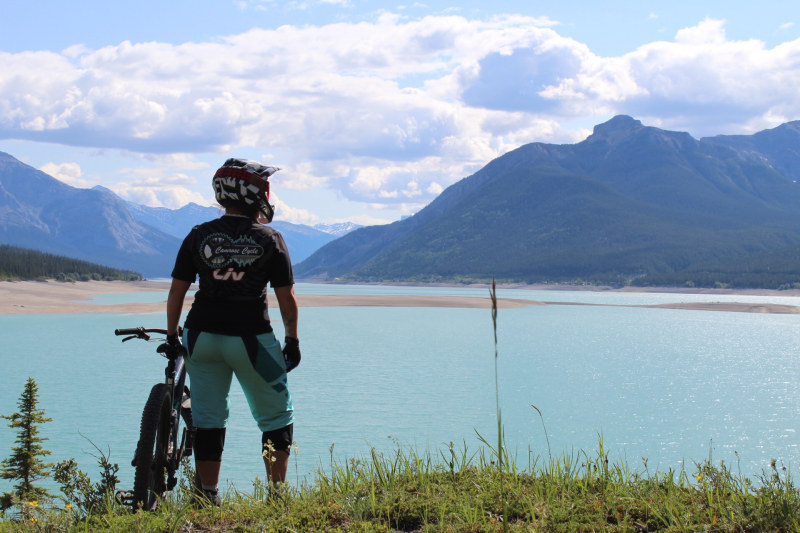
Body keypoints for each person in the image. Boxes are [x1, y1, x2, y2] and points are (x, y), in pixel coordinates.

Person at [163, 158, 301, 504]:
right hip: (251, 337)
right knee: (276, 415)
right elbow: (287, 298)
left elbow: (177, 290)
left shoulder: (198, 234)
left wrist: (171, 335)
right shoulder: (271, 238)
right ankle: (277, 497)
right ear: (258, 196)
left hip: (202, 335)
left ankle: (207, 495)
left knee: (208, 417)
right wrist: (292, 340)